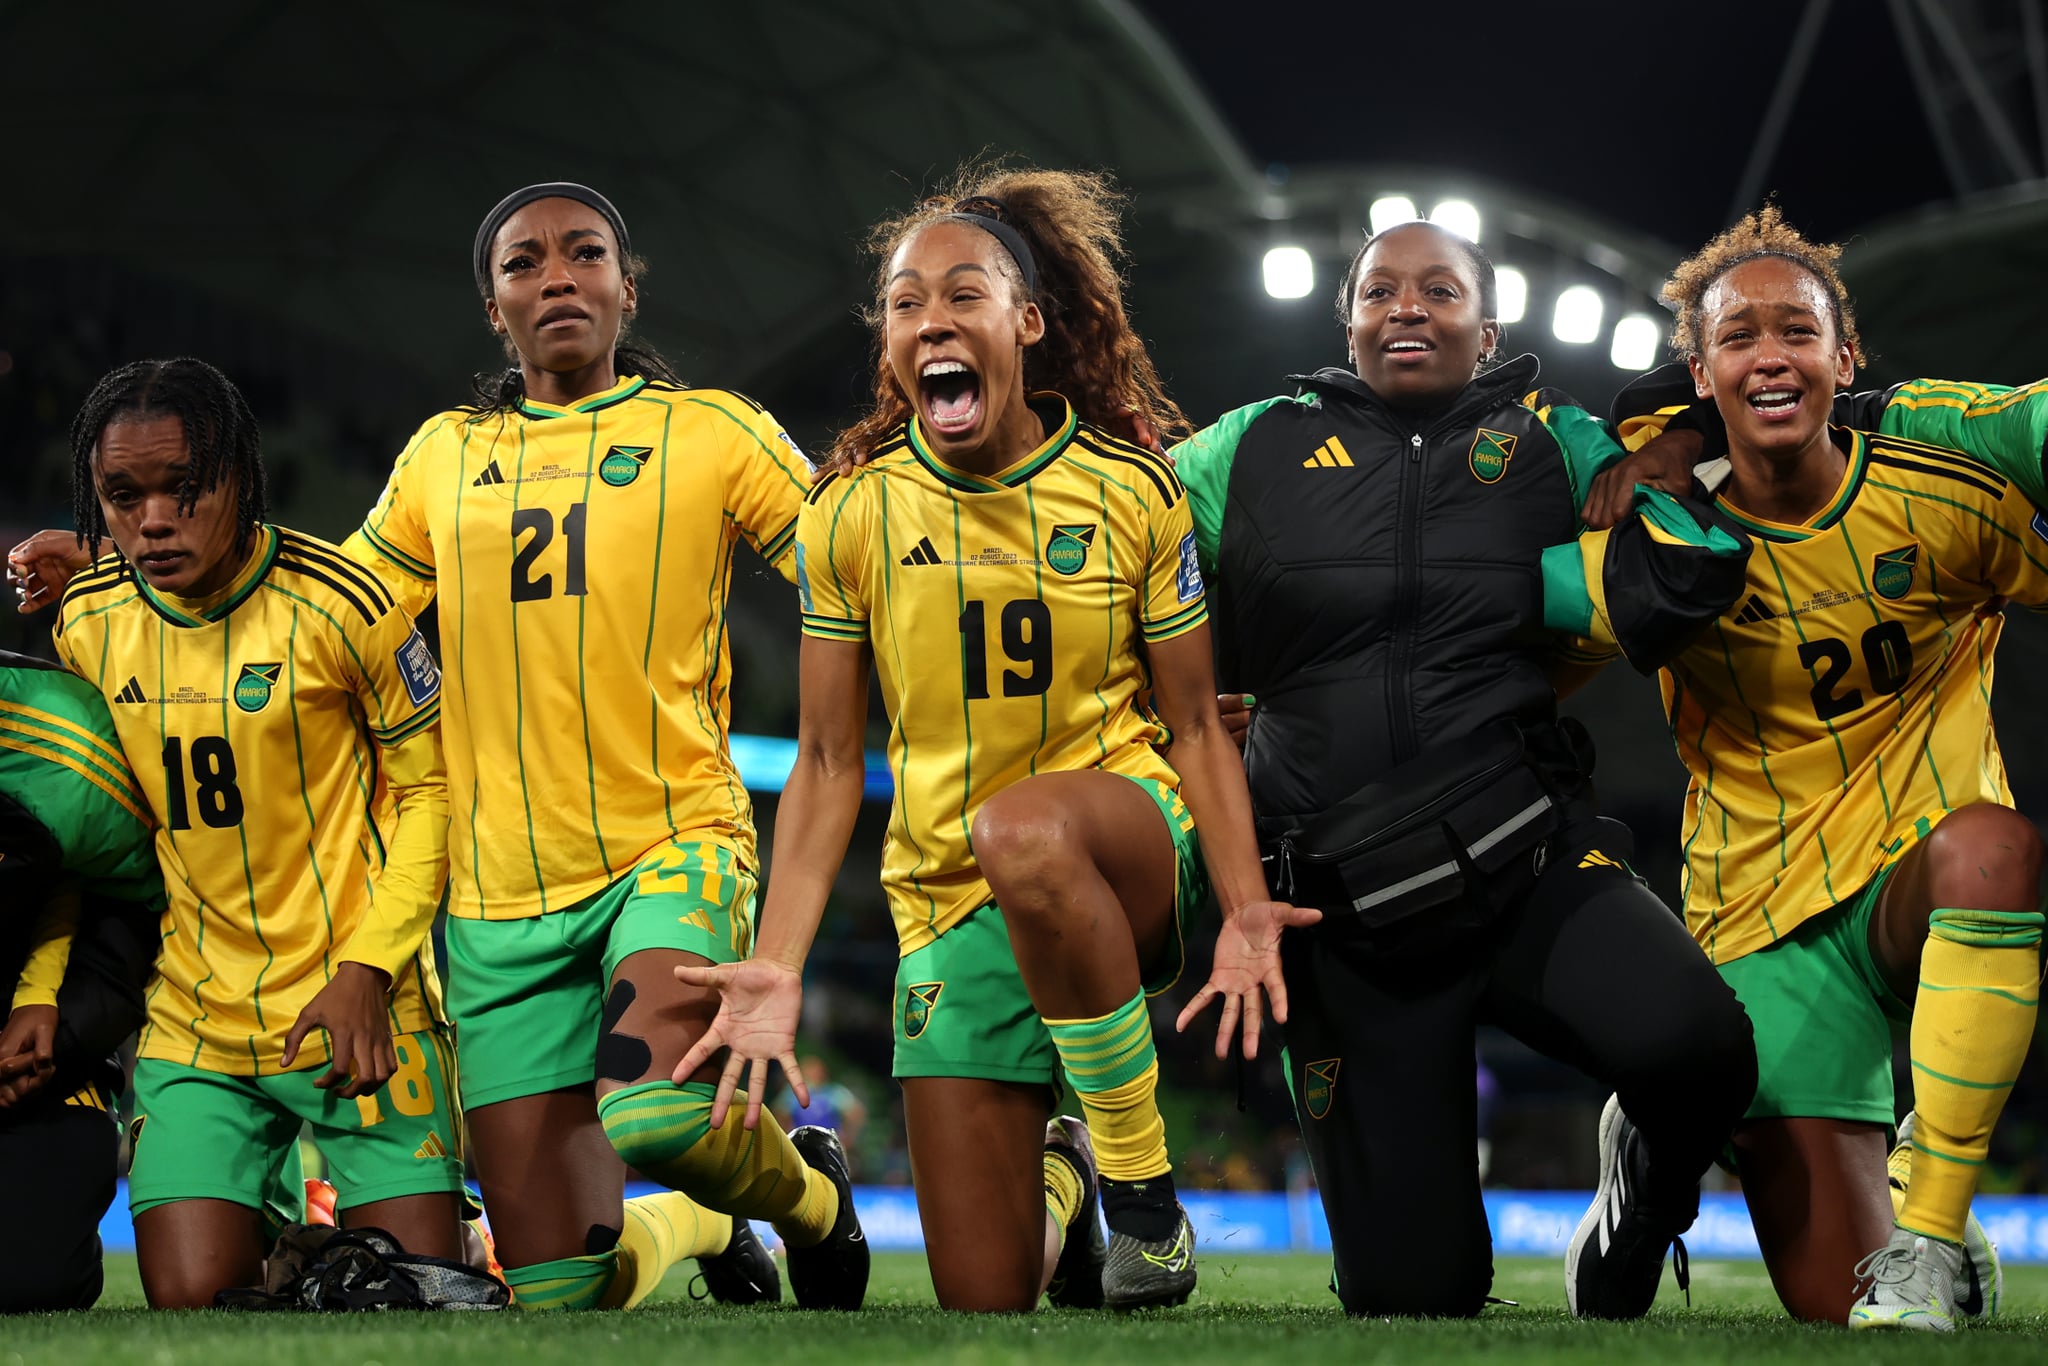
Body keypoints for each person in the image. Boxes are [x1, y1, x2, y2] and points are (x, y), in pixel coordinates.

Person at [11, 185, 863, 1312]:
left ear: (625, 284)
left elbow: (857, 570)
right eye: (524, 263)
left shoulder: (711, 431)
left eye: (584, 254)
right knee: (560, 1289)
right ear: (491, 304)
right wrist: (114, 560)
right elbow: (325, 603)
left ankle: (811, 1198)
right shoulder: (440, 458)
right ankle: (701, 1220)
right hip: (497, 901)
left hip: (670, 844)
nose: (556, 276)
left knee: (653, 1112)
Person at [671, 164, 1316, 1313]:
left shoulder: (1129, 488)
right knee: (985, 1296)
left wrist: (1244, 899)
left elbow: (1191, 726)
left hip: (1120, 852)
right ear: (888, 341)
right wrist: (777, 959)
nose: (931, 320)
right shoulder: (850, 512)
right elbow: (823, 761)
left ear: (1025, 322)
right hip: (944, 902)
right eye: (904, 301)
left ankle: (1144, 1199)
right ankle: (1068, 1183)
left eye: (961, 294)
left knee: (1018, 826)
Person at [1169, 218, 1759, 1320]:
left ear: (1485, 333)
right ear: (1343, 322)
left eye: (1438, 291)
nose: (1406, 307)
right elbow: (1119, 542)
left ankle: (1637, 1196)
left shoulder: (1551, 437)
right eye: (1380, 290)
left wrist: (1672, 449)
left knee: (1702, 1050)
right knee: (1412, 1294)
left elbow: (1690, 575)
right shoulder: (1244, 446)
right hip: (1337, 916)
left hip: (1526, 864)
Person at [1547, 207, 2048, 1330]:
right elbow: (1501, 655)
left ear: (1844, 355)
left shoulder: (1944, 489)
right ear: (1698, 373)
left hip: (1915, 877)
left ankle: (1926, 1230)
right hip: (1764, 926)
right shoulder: (1653, 536)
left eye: (1796, 329)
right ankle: (1662, 1134)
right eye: (1738, 336)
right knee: (1832, 1312)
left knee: (1995, 849)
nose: (1769, 354)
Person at [45, 357, 472, 1308]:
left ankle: (426, 1230)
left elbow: (433, 795)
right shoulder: (85, 621)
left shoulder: (349, 604)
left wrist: (370, 970)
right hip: (195, 1021)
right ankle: (306, 1236)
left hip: (360, 1005)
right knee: (193, 1299)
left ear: (241, 475)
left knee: (421, 1295)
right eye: (123, 496)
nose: (155, 519)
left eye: (186, 489)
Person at [0, 649, 164, 1310]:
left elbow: (62, 874)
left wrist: (38, 1004)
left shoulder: (65, 774)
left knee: (34, 1284)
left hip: (58, 1020)